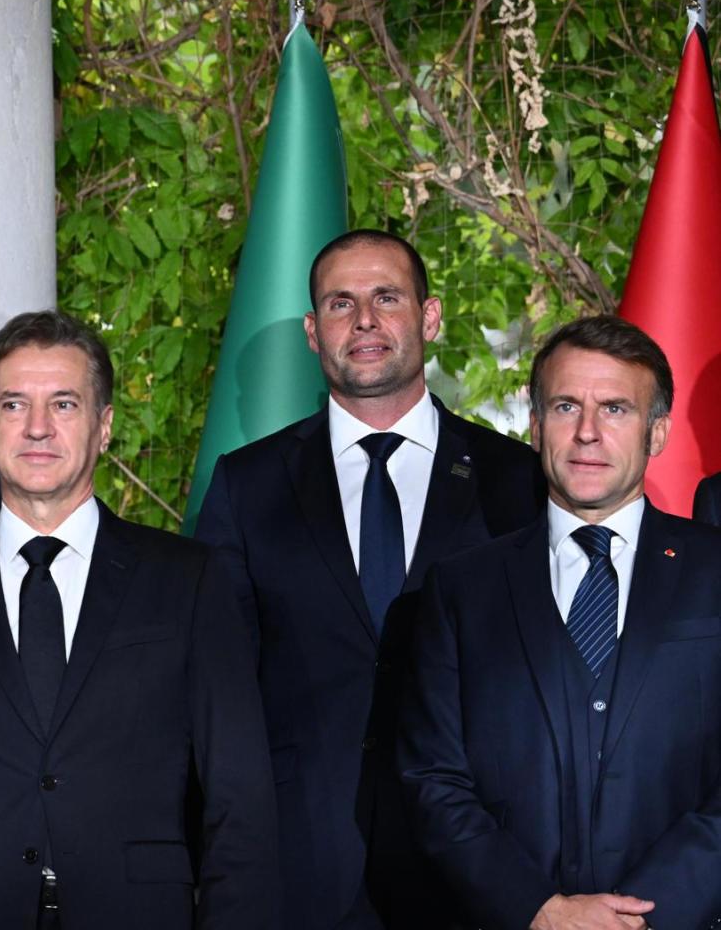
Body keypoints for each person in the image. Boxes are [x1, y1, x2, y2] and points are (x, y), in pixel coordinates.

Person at [0, 310, 279, 929]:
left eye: (65, 405)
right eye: (15, 405)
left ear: (104, 426)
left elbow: (241, 801)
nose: (38, 429)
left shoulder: (188, 580)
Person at [194, 229, 544, 929]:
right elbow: (212, 682)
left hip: (475, 872)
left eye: (386, 298)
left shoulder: (517, 481)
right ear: (311, 332)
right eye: (339, 303)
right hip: (297, 867)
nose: (364, 321)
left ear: (430, 316)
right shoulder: (248, 485)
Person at [400, 314, 721, 930]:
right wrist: (538, 910)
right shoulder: (461, 588)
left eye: (616, 410)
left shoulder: (715, 571)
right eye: (567, 406)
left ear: (657, 434)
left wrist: (646, 916)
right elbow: (432, 779)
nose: (588, 434)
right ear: (535, 423)